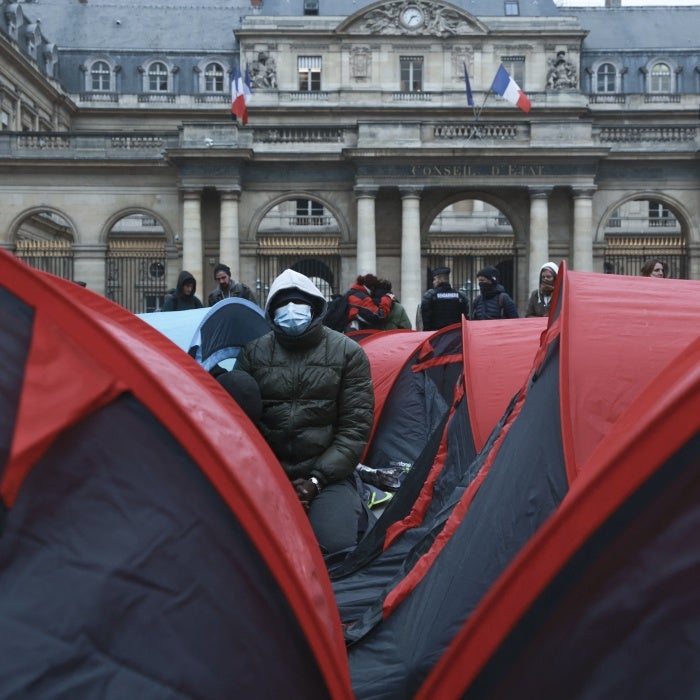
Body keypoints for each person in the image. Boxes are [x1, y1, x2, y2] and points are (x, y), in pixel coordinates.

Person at [235, 268, 374, 557]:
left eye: (298, 303)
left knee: (334, 549)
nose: (291, 311)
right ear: (272, 310)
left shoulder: (348, 353)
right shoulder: (252, 353)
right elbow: (240, 426)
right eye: (283, 304)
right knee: (254, 549)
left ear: (315, 307)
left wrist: (316, 480)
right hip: (269, 475)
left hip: (328, 476)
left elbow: (355, 429)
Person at [420, 267, 469, 331]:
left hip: (436, 335)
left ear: (440, 279)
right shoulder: (460, 296)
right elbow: (466, 317)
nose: (433, 282)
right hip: (455, 335)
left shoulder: (430, 295)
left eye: (434, 279)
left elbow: (425, 318)